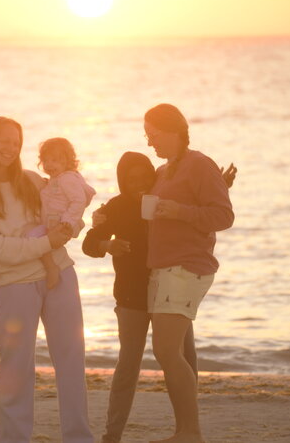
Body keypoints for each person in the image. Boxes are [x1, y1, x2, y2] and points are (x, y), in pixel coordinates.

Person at [83, 152, 236, 443]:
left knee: (185, 358)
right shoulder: (115, 207)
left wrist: (219, 186)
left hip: (170, 286)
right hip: (132, 297)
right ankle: (112, 435)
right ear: (122, 182)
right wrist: (107, 245)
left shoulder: (161, 197)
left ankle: (187, 428)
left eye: (145, 176)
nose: (139, 183)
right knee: (128, 365)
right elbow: (89, 243)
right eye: (132, 179)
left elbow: (195, 205)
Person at [0, 117, 93, 443]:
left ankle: (79, 438)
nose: (10, 148)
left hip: (60, 274)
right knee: (16, 368)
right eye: (3, 141)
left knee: (72, 362)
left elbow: (70, 209)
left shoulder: (33, 180)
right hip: (14, 284)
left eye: (16, 142)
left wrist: (71, 228)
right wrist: (47, 242)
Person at [144, 104, 234, 443]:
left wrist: (181, 211)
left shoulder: (199, 163)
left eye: (153, 135)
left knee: (166, 351)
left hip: (186, 267)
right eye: (146, 136)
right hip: (163, 267)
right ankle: (183, 430)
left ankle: (191, 432)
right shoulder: (164, 170)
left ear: (174, 131)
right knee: (174, 353)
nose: (149, 142)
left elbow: (223, 216)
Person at [27, 137, 95, 289]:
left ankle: (51, 268)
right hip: (56, 221)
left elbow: (78, 200)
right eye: (46, 160)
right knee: (38, 239)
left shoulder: (67, 179)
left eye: (55, 160)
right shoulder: (59, 178)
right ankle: (50, 268)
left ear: (67, 161)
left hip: (59, 222)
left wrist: (67, 221)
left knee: (34, 237)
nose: (49, 164)